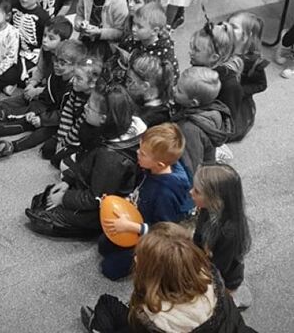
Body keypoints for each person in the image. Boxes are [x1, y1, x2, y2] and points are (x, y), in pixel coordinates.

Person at [81, 222, 257, 332]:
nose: (135, 258)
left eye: (141, 257)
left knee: (106, 304)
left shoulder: (153, 320)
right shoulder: (212, 279)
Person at [25, 81, 145, 238]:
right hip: (93, 182)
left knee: (43, 217)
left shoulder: (111, 157)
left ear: (103, 118)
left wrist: (65, 198)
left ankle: (91, 228)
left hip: (103, 204)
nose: (85, 108)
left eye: (90, 107)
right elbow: (85, 160)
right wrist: (68, 181)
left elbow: (96, 198)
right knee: (41, 201)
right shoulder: (108, 128)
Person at [98, 122, 194, 280]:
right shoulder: (152, 168)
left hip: (151, 236)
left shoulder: (165, 194)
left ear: (160, 164)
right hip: (138, 217)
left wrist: (131, 226)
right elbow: (139, 191)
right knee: (103, 246)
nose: (137, 153)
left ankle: (153, 263)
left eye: (142, 153)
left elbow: (165, 232)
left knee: (109, 269)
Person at [0, 16, 73, 119]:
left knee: (32, 106)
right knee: (23, 96)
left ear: (63, 42)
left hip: (52, 96)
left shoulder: (63, 63)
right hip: (44, 87)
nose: (44, 40)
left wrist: (37, 91)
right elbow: (40, 69)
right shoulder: (45, 49)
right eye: (44, 35)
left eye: (51, 38)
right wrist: (31, 84)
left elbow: (57, 88)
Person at [191, 163, 253, 310]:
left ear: (215, 199)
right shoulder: (206, 209)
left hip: (225, 276)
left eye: (197, 191)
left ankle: (233, 302)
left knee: (224, 301)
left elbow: (219, 267)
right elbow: (198, 236)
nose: (190, 192)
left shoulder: (229, 232)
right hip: (208, 260)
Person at [189, 20, 240, 162]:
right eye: (191, 46)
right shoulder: (200, 65)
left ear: (214, 58)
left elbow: (228, 121)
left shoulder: (229, 85)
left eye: (196, 50)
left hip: (210, 127)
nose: (190, 52)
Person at [42, 55, 103, 166]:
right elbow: (67, 114)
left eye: (79, 79)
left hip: (82, 138)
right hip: (69, 133)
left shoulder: (93, 100)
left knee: (57, 161)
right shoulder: (75, 91)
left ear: (92, 83)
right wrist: (61, 139)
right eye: (74, 76)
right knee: (47, 149)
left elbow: (80, 125)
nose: (73, 81)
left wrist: (66, 143)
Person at [172, 67, 233, 174]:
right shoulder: (213, 110)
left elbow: (191, 165)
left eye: (179, 90)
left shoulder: (189, 129)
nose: (173, 89)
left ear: (193, 103)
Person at [227, 11, 269, 141]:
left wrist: (241, 91)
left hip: (237, 100)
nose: (227, 29)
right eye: (227, 25)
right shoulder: (224, 47)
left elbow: (261, 85)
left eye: (233, 27)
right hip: (221, 92)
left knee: (232, 129)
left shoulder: (252, 61)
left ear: (247, 36)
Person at [117, 2, 179, 82]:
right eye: (134, 24)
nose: (133, 29)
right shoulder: (133, 40)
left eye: (139, 27)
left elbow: (171, 79)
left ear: (154, 31)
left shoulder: (164, 54)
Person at [11, 0, 51, 92]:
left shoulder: (43, 17)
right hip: (13, 49)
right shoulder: (14, 7)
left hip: (31, 54)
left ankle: (11, 83)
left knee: (23, 74)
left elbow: (44, 45)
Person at [125, 54, 174, 128]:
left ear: (145, 86)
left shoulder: (147, 121)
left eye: (130, 81)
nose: (126, 84)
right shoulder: (143, 103)